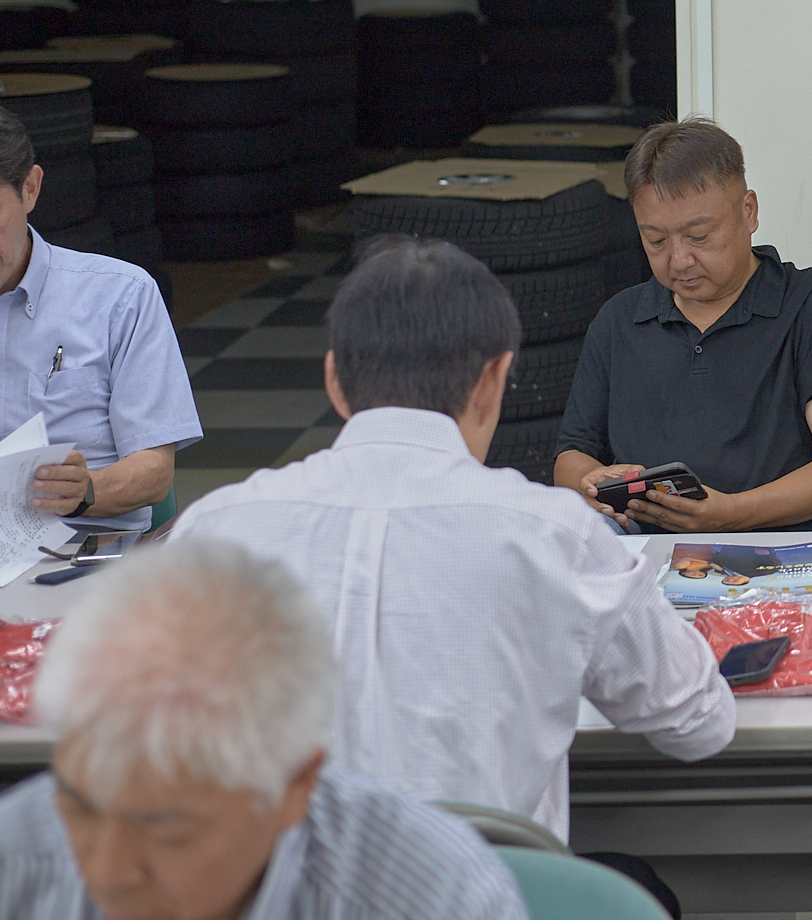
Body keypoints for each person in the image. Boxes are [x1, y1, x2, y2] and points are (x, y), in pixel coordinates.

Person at [173, 235, 736, 844]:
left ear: (335, 380)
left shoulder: (212, 533)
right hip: (487, 894)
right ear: (494, 380)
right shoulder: (556, 534)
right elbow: (699, 722)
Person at [0, 538, 524, 920]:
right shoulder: (18, 858)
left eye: (164, 829)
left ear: (294, 786)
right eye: (77, 806)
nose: (107, 874)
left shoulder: (432, 897)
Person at [554, 118, 812, 532]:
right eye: (655, 241)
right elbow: (571, 456)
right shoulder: (620, 320)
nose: (679, 259)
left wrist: (733, 513)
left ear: (748, 211)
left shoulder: (810, 307)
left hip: (777, 558)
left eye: (700, 236)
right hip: (641, 560)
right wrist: (591, 480)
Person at [0, 106, 197, 529]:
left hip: (83, 550)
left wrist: (85, 488)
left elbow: (154, 471)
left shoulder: (119, 297)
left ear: (30, 189)